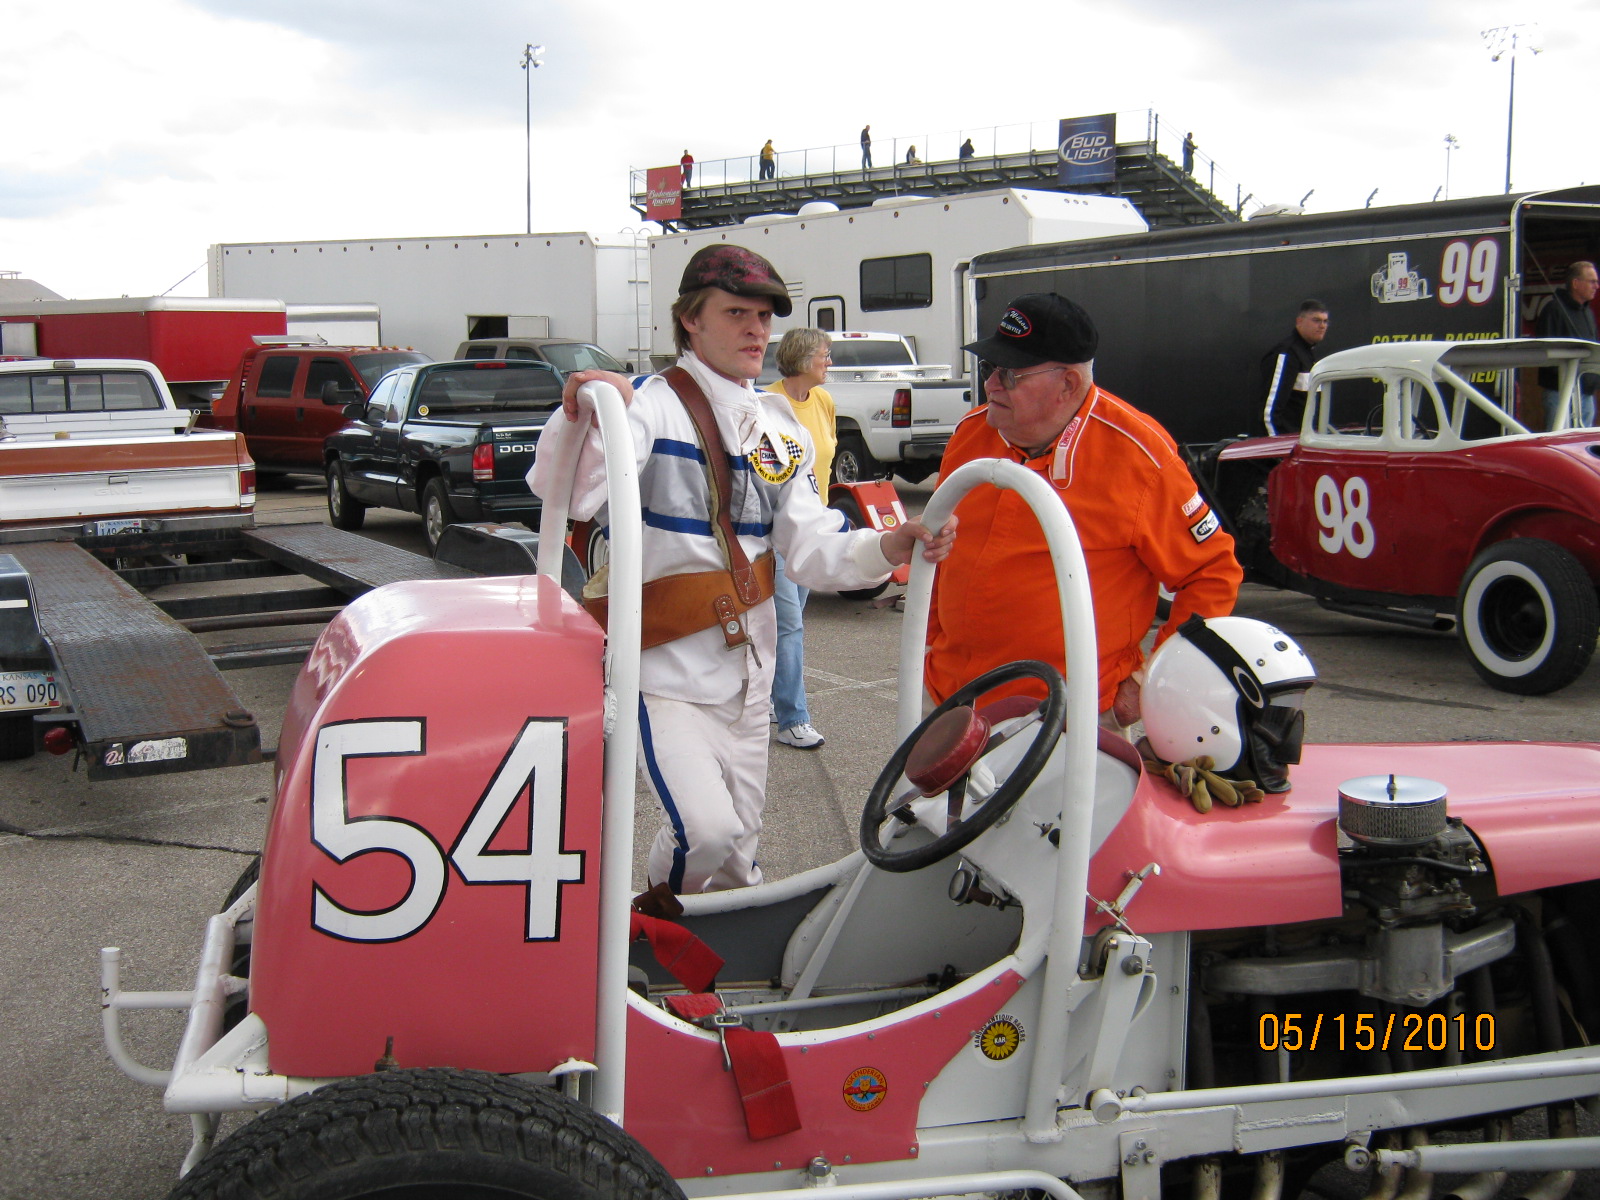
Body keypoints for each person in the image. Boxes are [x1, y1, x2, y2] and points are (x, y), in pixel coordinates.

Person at [531, 244, 956, 895]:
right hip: (663, 674)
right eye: (736, 312)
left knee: (736, 858)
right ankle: (653, 937)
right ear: (690, 322)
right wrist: (585, 412)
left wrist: (887, 548)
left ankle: (713, 973)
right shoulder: (643, 406)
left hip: (748, 683)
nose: (757, 329)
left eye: (764, 315)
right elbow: (559, 488)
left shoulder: (779, 431)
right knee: (704, 834)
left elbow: (812, 546)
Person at [925, 292, 1241, 731]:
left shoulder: (1140, 457)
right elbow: (940, 550)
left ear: (1069, 385)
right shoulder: (971, 434)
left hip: (1067, 722)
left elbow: (1211, 574)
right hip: (951, 701)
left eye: (1010, 375)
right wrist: (930, 644)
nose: (992, 385)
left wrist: (1147, 685)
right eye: (990, 368)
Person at [762, 329, 836, 750]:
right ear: (803, 357)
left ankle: (768, 696)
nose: (829, 361)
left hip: (815, 526)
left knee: (780, 626)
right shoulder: (768, 404)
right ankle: (793, 718)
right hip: (778, 533)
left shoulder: (823, 401)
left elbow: (821, 464)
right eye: (824, 354)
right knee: (788, 625)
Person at [1535, 260, 1599, 428]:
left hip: (1586, 394)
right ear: (1576, 283)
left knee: (1583, 449)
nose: (1596, 286)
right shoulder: (1553, 310)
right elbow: (1544, 353)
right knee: (1559, 444)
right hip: (1560, 393)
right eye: (1592, 281)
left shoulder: (1588, 313)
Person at [1259, 300, 1330, 436]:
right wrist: (1278, 452)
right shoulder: (1287, 354)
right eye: (1316, 320)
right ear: (1299, 321)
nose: (1322, 326)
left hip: (1306, 444)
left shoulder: (1309, 354)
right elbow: (1269, 413)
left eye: (1325, 321)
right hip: (1287, 448)